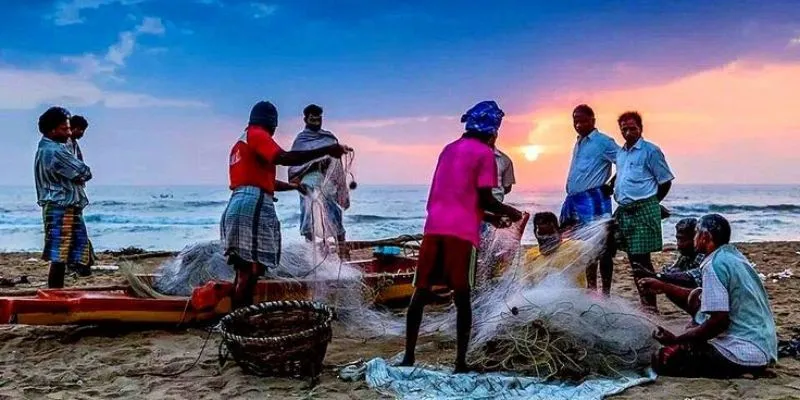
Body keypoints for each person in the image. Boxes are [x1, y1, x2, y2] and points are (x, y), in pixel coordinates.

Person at [400, 101, 523, 373]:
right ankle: (460, 362)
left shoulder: (448, 149)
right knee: (463, 297)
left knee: (420, 294)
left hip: (434, 228)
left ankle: (409, 356)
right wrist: (512, 212)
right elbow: (485, 198)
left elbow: (457, 197)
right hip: (462, 235)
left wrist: (490, 218)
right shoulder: (485, 154)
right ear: (493, 132)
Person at [221, 101, 350, 309]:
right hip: (252, 206)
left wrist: (294, 187)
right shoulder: (257, 134)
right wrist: (327, 150)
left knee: (247, 270)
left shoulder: (241, 144)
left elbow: (263, 181)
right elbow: (284, 157)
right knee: (249, 271)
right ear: (270, 122)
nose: (274, 131)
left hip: (240, 202)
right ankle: (240, 318)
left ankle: (241, 315)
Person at [639, 214, 777, 378]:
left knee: (663, 359)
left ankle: (744, 369)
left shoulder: (713, 266)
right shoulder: (733, 256)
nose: (694, 238)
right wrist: (664, 287)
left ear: (705, 237)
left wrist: (677, 339)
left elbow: (719, 321)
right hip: (764, 346)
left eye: (696, 233)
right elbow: (700, 301)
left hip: (744, 351)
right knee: (697, 299)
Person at [614, 111, 674, 313]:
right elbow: (622, 176)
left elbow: (665, 181)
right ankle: (645, 304)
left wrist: (652, 203)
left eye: (632, 128)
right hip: (624, 210)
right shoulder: (621, 153)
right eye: (624, 128)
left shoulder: (650, 151)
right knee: (633, 258)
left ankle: (650, 307)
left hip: (643, 209)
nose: (628, 132)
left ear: (641, 128)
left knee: (642, 259)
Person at [560, 104, 619, 296]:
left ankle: (606, 293)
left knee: (602, 246)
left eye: (583, 120)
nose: (578, 124)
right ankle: (591, 288)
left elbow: (624, 161)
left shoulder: (603, 142)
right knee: (584, 246)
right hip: (574, 200)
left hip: (594, 199)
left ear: (593, 120)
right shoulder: (579, 142)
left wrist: (611, 184)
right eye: (575, 120)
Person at [35, 106, 95, 288]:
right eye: (65, 129)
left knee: (64, 254)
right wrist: (81, 174)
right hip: (61, 206)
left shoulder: (44, 147)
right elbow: (84, 172)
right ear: (52, 130)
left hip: (60, 205)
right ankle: (55, 294)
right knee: (59, 256)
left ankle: (57, 291)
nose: (69, 133)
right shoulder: (56, 151)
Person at [288, 104, 352, 259]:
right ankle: (311, 254)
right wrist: (313, 165)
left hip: (326, 181)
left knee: (334, 213)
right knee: (308, 215)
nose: (316, 121)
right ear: (306, 119)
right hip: (308, 182)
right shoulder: (301, 140)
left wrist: (339, 185)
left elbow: (336, 163)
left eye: (319, 118)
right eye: (313, 118)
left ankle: (342, 251)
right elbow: (295, 163)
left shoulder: (329, 138)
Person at [635, 217, 705, 291]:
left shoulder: (703, 256)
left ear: (696, 238)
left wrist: (657, 276)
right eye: (678, 239)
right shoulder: (686, 254)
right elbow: (671, 270)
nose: (679, 244)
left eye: (683, 240)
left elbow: (691, 277)